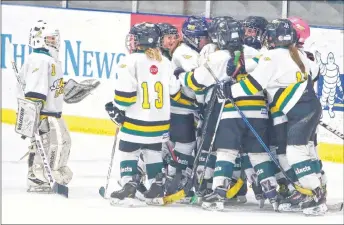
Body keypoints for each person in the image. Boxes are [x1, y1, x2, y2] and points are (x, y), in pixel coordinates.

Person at [218, 19, 326, 216]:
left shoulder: (272, 56)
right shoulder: (298, 53)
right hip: (307, 108)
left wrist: (229, 90)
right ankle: (311, 190)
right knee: (304, 150)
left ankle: (315, 195)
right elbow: (317, 72)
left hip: (301, 111)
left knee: (295, 153)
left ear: (270, 38)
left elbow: (253, 86)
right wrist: (245, 66)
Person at [178, 19, 277, 211]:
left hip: (231, 110)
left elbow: (196, 82)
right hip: (259, 110)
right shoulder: (255, 53)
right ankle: (272, 193)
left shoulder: (218, 57)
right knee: (258, 153)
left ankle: (219, 193)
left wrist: (181, 75)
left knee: (226, 151)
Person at [106, 22, 184, 206]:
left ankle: (129, 186)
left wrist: (115, 107)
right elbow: (175, 92)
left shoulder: (129, 61)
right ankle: (155, 187)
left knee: (128, 151)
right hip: (160, 124)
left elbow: (125, 98)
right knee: (153, 152)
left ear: (140, 41)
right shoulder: (165, 61)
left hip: (136, 121)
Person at [18, 20, 73, 193]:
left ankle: (45, 173)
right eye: (49, 39)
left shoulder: (49, 60)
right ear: (38, 39)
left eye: (54, 39)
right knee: (49, 144)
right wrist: (34, 116)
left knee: (62, 143)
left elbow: (52, 88)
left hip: (53, 113)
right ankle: (36, 176)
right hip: (44, 114)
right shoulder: (38, 60)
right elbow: (35, 91)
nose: (53, 42)